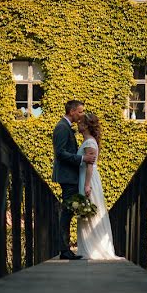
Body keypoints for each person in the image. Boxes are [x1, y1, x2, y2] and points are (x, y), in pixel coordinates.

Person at [52, 100, 97, 260]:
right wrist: (82, 158)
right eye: (80, 111)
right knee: (67, 212)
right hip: (68, 177)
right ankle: (64, 250)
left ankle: (65, 249)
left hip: (71, 176)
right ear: (71, 111)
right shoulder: (62, 128)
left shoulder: (66, 128)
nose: (82, 114)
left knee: (68, 212)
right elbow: (61, 153)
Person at [76, 112, 119, 259]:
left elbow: (89, 165)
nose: (78, 124)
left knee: (89, 211)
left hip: (89, 179)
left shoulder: (89, 143)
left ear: (87, 126)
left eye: (81, 122)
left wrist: (87, 185)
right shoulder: (89, 141)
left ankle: (93, 248)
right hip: (86, 177)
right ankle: (89, 247)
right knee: (87, 212)